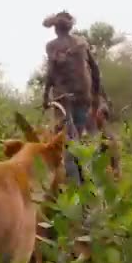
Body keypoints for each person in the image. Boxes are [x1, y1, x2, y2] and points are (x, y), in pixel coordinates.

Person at [41, 10, 102, 183]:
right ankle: (85, 180)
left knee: (67, 141)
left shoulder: (52, 46)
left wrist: (45, 95)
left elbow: (51, 73)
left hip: (64, 99)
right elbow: (96, 70)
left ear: (56, 29)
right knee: (77, 138)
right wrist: (96, 94)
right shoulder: (82, 42)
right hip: (84, 96)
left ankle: (76, 187)